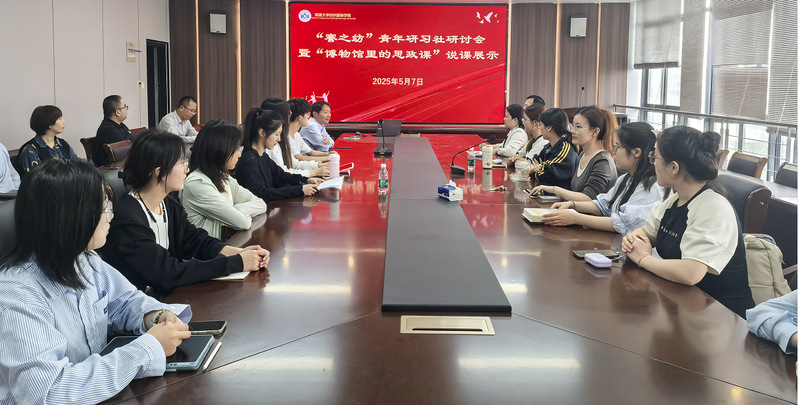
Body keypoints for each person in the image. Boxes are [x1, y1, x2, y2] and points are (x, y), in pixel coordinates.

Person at [0, 158, 192, 404]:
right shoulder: (16, 295)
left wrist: (155, 316)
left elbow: (125, 301)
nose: (111, 216)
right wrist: (148, 348)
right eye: (104, 208)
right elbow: (49, 393)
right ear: (71, 218)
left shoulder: (85, 260)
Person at [97, 130, 270, 299]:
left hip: (165, 295)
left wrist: (237, 252)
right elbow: (166, 272)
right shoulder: (127, 217)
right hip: (139, 303)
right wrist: (237, 263)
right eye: (181, 162)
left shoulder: (168, 204)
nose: (187, 168)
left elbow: (195, 240)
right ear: (160, 172)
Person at [622, 126, 755, 318]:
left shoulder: (713, 207)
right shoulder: (677, 199)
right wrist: (634, 241)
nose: (652, 163)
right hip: (684, 306)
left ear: (673, 167)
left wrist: (643, 258)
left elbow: (691, 273)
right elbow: (647, 232)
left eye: (654, 157)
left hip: (720, 316)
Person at [544, 122, 667, 235]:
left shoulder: (651, 187)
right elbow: (604, 205)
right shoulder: (626, 178)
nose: (614, 151)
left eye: (618, 147)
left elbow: (622, 223)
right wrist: (572, 205)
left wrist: (575, 218)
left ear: (636, 152)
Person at [180, 120, 268, 240]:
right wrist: (237, 214)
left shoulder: (223, 177)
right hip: (209, 250)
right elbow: (243, 222)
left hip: (225, 244)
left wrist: (236, 210)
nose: (239, 155)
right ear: (220, 150)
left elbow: (261, 204)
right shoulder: (197, 183)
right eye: (236, 149)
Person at [531, 105, 618, 201]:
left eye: (578, 127)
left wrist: (554, 189)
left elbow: (589, 198)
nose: (572, 131)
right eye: (573, 126)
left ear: (595, 132)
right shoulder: (583, 155)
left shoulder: (602, 161)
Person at [236, 109, 321, 202]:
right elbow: (261, 194)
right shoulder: (249, 159)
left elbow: (281, 176)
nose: (279, 139)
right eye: (277, 134)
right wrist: (299, 190)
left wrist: (307, 180)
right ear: (262, 133)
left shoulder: (263, 156)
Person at [261, 97, 328, 178]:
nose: (290, 118)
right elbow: (283, 173)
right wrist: (314, 172)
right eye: (289, 115)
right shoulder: (272, 144)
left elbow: (294, 163)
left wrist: (319, 165)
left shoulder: (285, 137)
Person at [527, 108, 578, 190]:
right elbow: (534, 161)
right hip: (546, 190)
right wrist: (535, 168)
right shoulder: (549, 146)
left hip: (559, 196)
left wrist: (538, 170)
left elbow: (546, 175)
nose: (539, 128)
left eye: (541, 124)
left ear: (549, 128)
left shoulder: (565, 148)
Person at [19, 105, 78, 174]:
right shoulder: (30, 149)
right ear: (50, 124)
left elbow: (77, 167)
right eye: (60, 119)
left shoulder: (63, 144)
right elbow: (35, 177)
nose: (64, 122)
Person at [287, 97, 333, 163]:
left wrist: (328, 154)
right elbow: (300, 158)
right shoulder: (287, 136)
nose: (308, 117)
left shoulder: (296, 134)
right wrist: (329, 157)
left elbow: (310, 152)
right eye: (307, 114)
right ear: (299, 117)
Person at [93, 95, 132, 167]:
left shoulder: (119, 125)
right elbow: (127, 150)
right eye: (125, 107)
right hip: (110, 169)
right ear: (117, 112)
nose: (126, 109)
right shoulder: (109, 130)